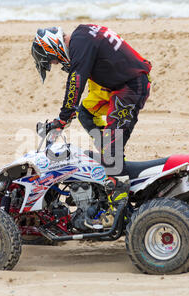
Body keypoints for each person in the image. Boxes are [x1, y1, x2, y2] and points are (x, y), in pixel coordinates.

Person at [31, 25, 152, 229]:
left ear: (52, 46)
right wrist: (67, 116)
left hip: (130, 87)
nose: (55, 63)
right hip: (116, 85)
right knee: (85, 113)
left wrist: (62, 118)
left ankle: (117, 211)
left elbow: (76, 82)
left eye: (52, 59)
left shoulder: (79, 43)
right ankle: (109, 159)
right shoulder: (83, 35)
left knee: (112, 154)